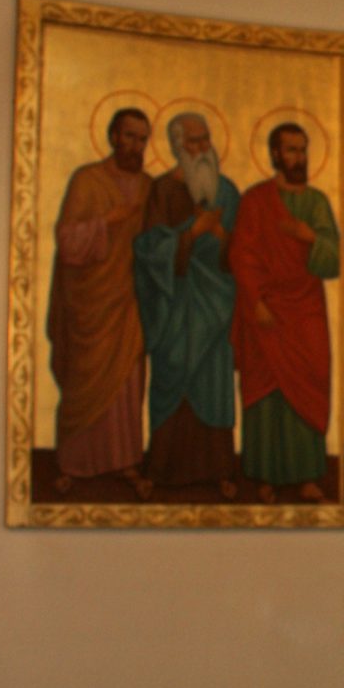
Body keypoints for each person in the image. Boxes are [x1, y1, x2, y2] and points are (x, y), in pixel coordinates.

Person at [227, 124, 340, 502]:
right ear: (275, 154)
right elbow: (241, 255)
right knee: (266, 390)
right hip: (266, 308)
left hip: (305, 308)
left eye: (303, 149)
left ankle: (306, 476)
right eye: (291, 150)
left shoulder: (317, 202)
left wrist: (310, 237)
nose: (299, 157)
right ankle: (266, 476)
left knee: (309, 381)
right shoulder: (256, 200)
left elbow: (332, 258)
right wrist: (256, 302)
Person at [133, 112, 241, 495]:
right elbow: (148, 249)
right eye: (193, 141)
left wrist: (223, 238)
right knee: (172, 379)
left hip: (216, 307)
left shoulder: (228, 192)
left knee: (214, 385)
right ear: (177, 146)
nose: (202, 148)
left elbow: (241, 253)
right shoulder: (162, 190)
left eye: (205, 139)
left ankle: (220, 471)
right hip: (175, 307)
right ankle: (161, 469)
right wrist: (191, 234)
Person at [47, 107, 153, 496]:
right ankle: (73, 465)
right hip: (90, 303)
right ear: (112, 137)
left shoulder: (149, 187)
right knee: (84, 383)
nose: (135, 145)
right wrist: (108, 220)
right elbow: (67, 240)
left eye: (142, 139)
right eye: (129, 136)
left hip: (129, 301)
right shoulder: (87, 180)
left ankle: (125, 462)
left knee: (127, 384)